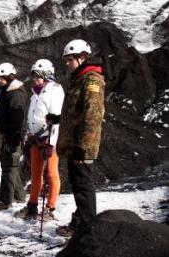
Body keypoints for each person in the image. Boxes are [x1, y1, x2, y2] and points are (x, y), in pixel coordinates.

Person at [56, 39, 105, 236]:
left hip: (81, 145)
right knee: (78, 184)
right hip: (74, 142)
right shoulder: (79, 78)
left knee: (84, 185)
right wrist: (57, 119)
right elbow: (75, 113)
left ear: (82, 57)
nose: (67, 63)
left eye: (70, 59)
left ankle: (87, 227)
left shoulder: (91, 79)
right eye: (66, 59)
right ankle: (81, 221)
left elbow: (92, 115)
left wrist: (82, 147)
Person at [15, 59, 64, 220]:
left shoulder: (55, 90)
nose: (36, 78)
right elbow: (32, 115)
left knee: (51, 173)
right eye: (34, 75)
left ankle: (50, 208)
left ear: (47, 75)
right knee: (36, 174)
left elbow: (55, 119)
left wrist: (51, 143)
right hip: (35, 138)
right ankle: (32, 206)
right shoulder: (35, 93)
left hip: (48, 137)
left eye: (39, 75)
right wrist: (29, 134)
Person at [0, 62, 28, 212]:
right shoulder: (8, 92)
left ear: (9, 76)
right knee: (10, 165)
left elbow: (16, 119)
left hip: (13, 136)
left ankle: (5, 201)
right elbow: (4, 114)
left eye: (1, 78)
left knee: (9, 166)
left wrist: (13, 138)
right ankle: (19, 195)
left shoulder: (16, 94)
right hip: (9, 134)